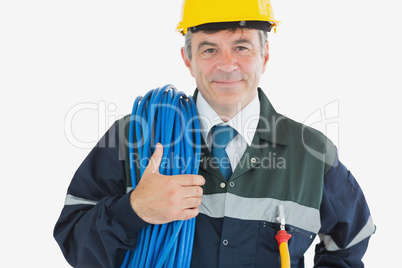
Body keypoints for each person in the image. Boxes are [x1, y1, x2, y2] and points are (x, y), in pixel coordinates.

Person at [54, 0, 375, 267]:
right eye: (209, 49)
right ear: (188, 59)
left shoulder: (311, 153)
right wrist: (134, 209)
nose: (227, 64)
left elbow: (351, 240)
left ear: (264, 55)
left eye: (241, 46)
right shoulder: (134, 135)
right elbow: (72, 238)